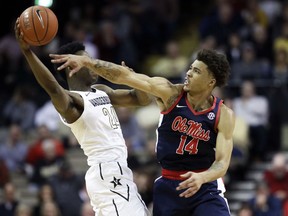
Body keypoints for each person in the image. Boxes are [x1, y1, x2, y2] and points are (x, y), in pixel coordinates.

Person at [50, 48, 235, 215]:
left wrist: (202, 177)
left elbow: (222, 163)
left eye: (196, 71)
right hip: (169, 186)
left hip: (204, 187)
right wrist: (88, 62)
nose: (188, 73)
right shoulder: (170, 93)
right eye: (190, 68)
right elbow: (124, 76)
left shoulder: (223, 114)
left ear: (211, 81)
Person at [14, 19, 151, 216]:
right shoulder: (72, 103)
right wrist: (27, 52)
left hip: (119, 171)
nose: (93, 64)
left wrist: (132, 78)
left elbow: (141, 98)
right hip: (106, 172)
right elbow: (53, 88)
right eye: (85, 61)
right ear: (72, 67)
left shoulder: (102, 91)